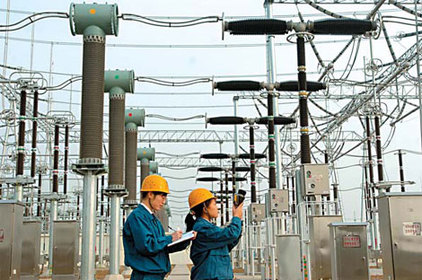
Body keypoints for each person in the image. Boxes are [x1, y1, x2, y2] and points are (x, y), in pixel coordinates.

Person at [123, 174, 192, 280]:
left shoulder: (153, 219)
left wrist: (185, 239)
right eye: (162, 196)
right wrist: (171, 238)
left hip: (156, 275)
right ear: (150, 194)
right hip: (145, 275)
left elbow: (162, 247)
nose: (164, 202)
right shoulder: (138, 217)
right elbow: (147, 246)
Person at [185, 188, 243, 280]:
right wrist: (236, 218)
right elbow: (231, 234)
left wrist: (239, 222)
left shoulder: (208, 227)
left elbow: (227, 244)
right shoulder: (202, 228)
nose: (217, 208)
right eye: (214, 204)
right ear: (205, 208)